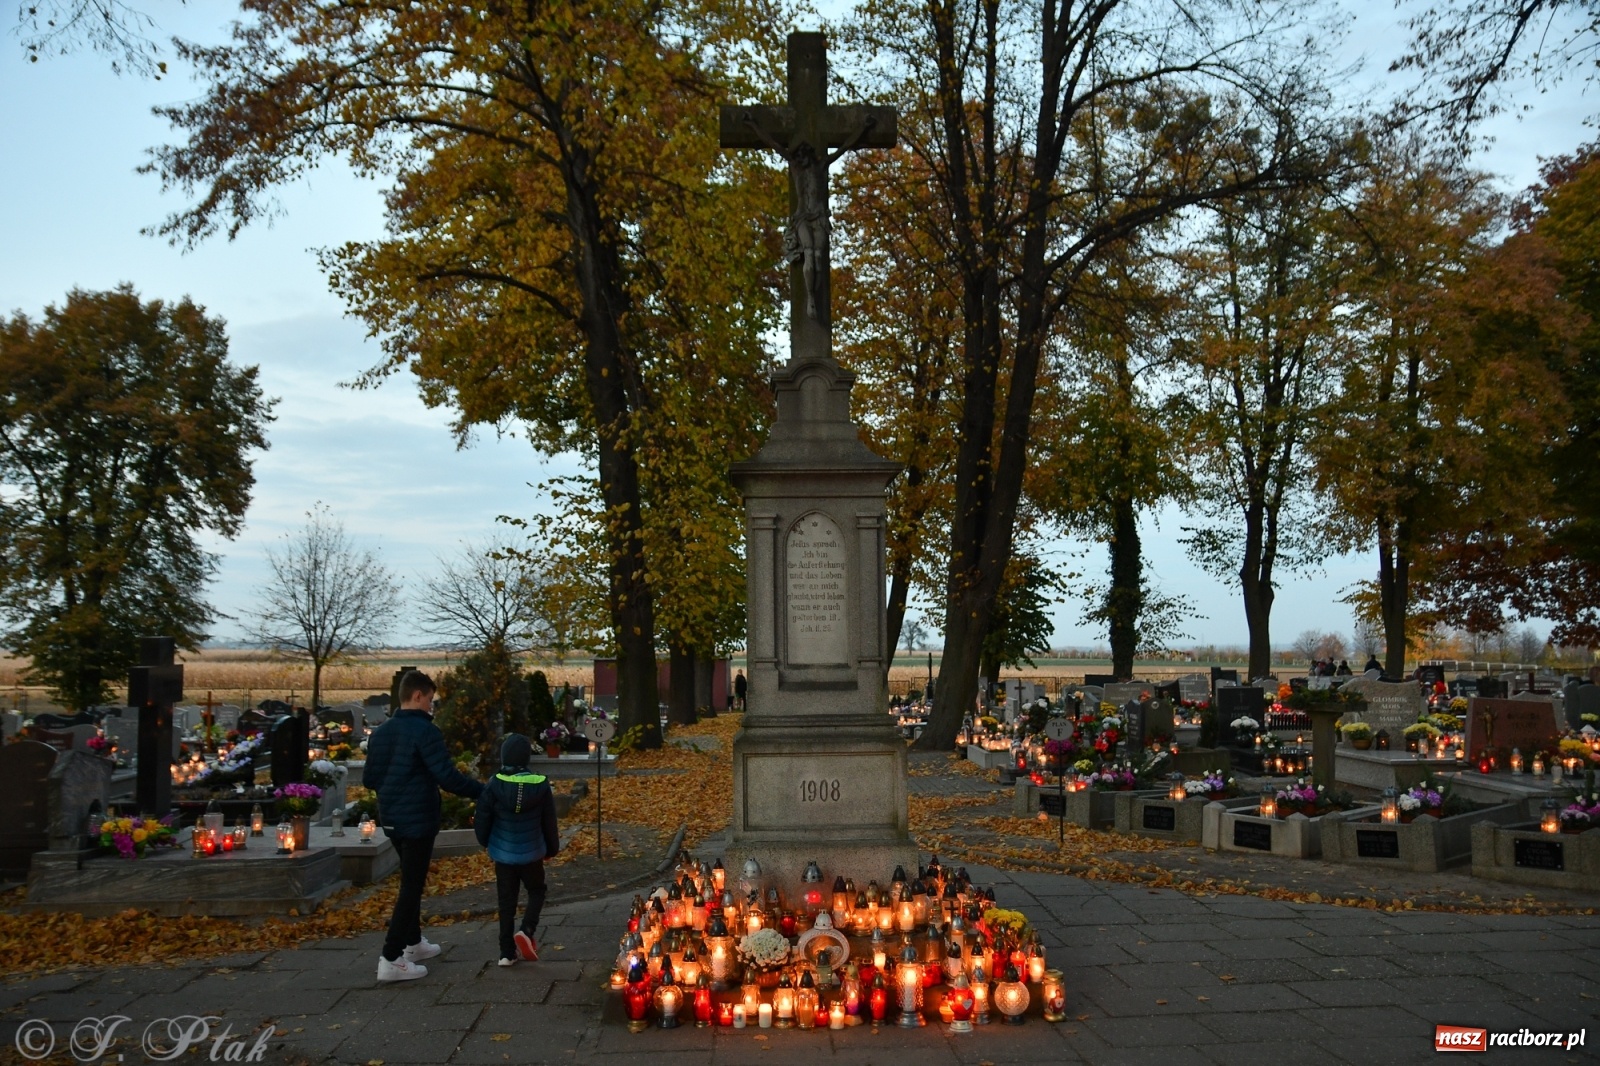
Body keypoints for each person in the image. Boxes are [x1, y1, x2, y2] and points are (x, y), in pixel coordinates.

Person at [365, 670, 484, 982]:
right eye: (430, 699)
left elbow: (369, 779)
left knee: (410, 880)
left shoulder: (380, 733)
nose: (432, 706)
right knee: (411, 887)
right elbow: (446, 776)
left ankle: (413, 943)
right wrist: (483, 791)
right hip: (417, 819)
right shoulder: (425, 731)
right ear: (417, 696)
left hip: (390, 817)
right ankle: (391, 957)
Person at [475, 733, 561, 967]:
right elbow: (549, 821)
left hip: (503, 853)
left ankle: (506, 952)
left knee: (506, 901)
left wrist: (485, 842)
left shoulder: (494, 784)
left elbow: (483, 818)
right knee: (537, 890)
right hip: (532, 852)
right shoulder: (540, 785)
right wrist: (552, 848)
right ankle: (527, 928)